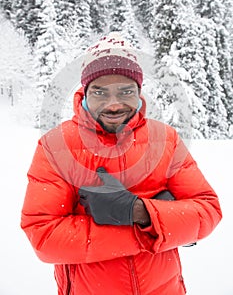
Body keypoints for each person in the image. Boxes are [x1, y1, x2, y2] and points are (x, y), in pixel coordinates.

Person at [21, 32, 222, 295]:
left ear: (138, 92)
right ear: (85, 93)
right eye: (100, 92)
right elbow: (44, 236)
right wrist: (151, 230)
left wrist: (140, 211)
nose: (113, 104)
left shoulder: (166, 140)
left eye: (125, 91)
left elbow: (208, 210)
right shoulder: (56, 145)